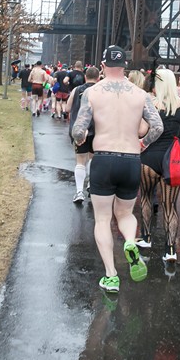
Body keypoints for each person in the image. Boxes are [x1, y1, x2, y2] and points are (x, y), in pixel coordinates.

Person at [71, 45, 163, 293]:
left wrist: (80, 139)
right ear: (124, 66)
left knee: (102, 219)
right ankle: (131, 242)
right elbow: (157, 126)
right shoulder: (140, 94)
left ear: (102, 66)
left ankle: (111, 276)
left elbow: (78, 130)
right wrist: (143, 143)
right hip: (131, 160)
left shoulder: (92, 92)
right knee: (125, 214)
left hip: (103, 159)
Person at [136, 68, 180, 262]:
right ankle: (170, 250)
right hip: (173, 159)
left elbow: (141, 132)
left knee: (145, 197)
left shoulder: (150, 103)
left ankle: (146, 238)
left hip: (149, 157)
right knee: (170, 206)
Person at [67, 65, 99, 204]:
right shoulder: (100, 91)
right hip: (96, 130)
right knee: (93, 158)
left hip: (80, 129)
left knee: (80, 160)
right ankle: (91, 185)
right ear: (98, 78)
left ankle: (79, 192)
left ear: (85, 77)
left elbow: (68, 108)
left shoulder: (77, 90)